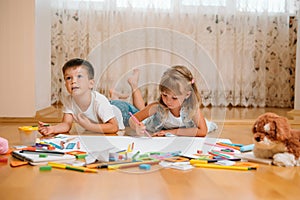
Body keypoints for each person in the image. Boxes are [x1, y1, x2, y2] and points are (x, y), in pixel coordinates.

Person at [38, 58, 123, 136]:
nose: (73, 81)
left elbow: (114, 127)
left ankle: (116, 97)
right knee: (110, 104)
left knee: (121, 106)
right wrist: (52, 129)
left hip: (123, 112)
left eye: (79, 76)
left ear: (91, 84)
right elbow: (66, 124)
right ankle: (114, 97)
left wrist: (89, 126)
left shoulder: (99, 101)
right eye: (68, 78)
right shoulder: (69, 100)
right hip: (106, 109)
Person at [129, 65, 209, 137]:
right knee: (140, 110)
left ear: (187, 95)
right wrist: (136, 127)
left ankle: (134, 84)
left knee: (141, 108)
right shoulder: (157, 107)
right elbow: (132, 119)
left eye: (174, 98)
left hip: (171, 128)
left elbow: (203, 131)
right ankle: (134, 85)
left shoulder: (192, 109)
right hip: (152, 121)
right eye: (164, 95)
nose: (168, 101)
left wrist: (172, 132)